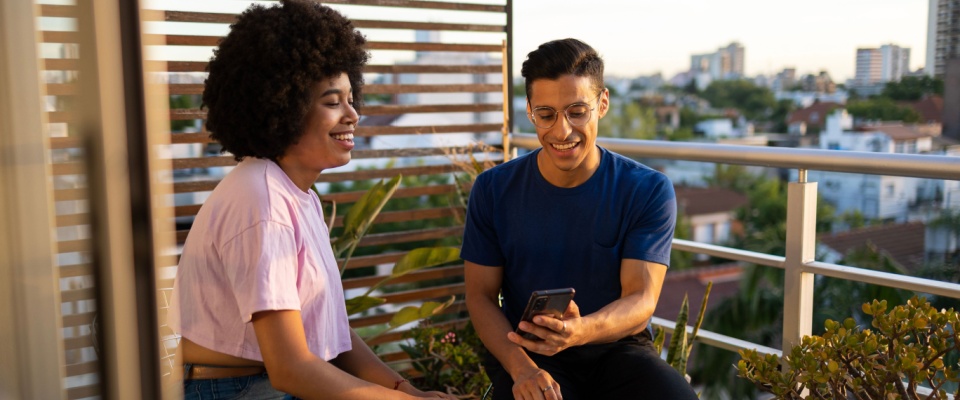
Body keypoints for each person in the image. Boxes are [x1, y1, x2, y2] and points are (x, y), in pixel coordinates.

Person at [168, 1, 456, 399]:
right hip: (238, 390)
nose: (353, 114)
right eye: (332, 101)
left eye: (351, 99)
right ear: (283, 106)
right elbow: (291, 368)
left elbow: (331, 333)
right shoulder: (262, 200)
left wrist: (410, 392)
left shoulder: (295, 195)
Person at [460, 38, 699, 400]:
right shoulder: (493, 190)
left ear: (601, 104)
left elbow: (641, 299)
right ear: (529, 111)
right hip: (529, 353)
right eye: (546, 114)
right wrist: (520, 367)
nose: (562, 131)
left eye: (576, 111)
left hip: (618, 348)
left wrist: (581, 330)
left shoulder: (647, 189)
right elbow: (479, 297)